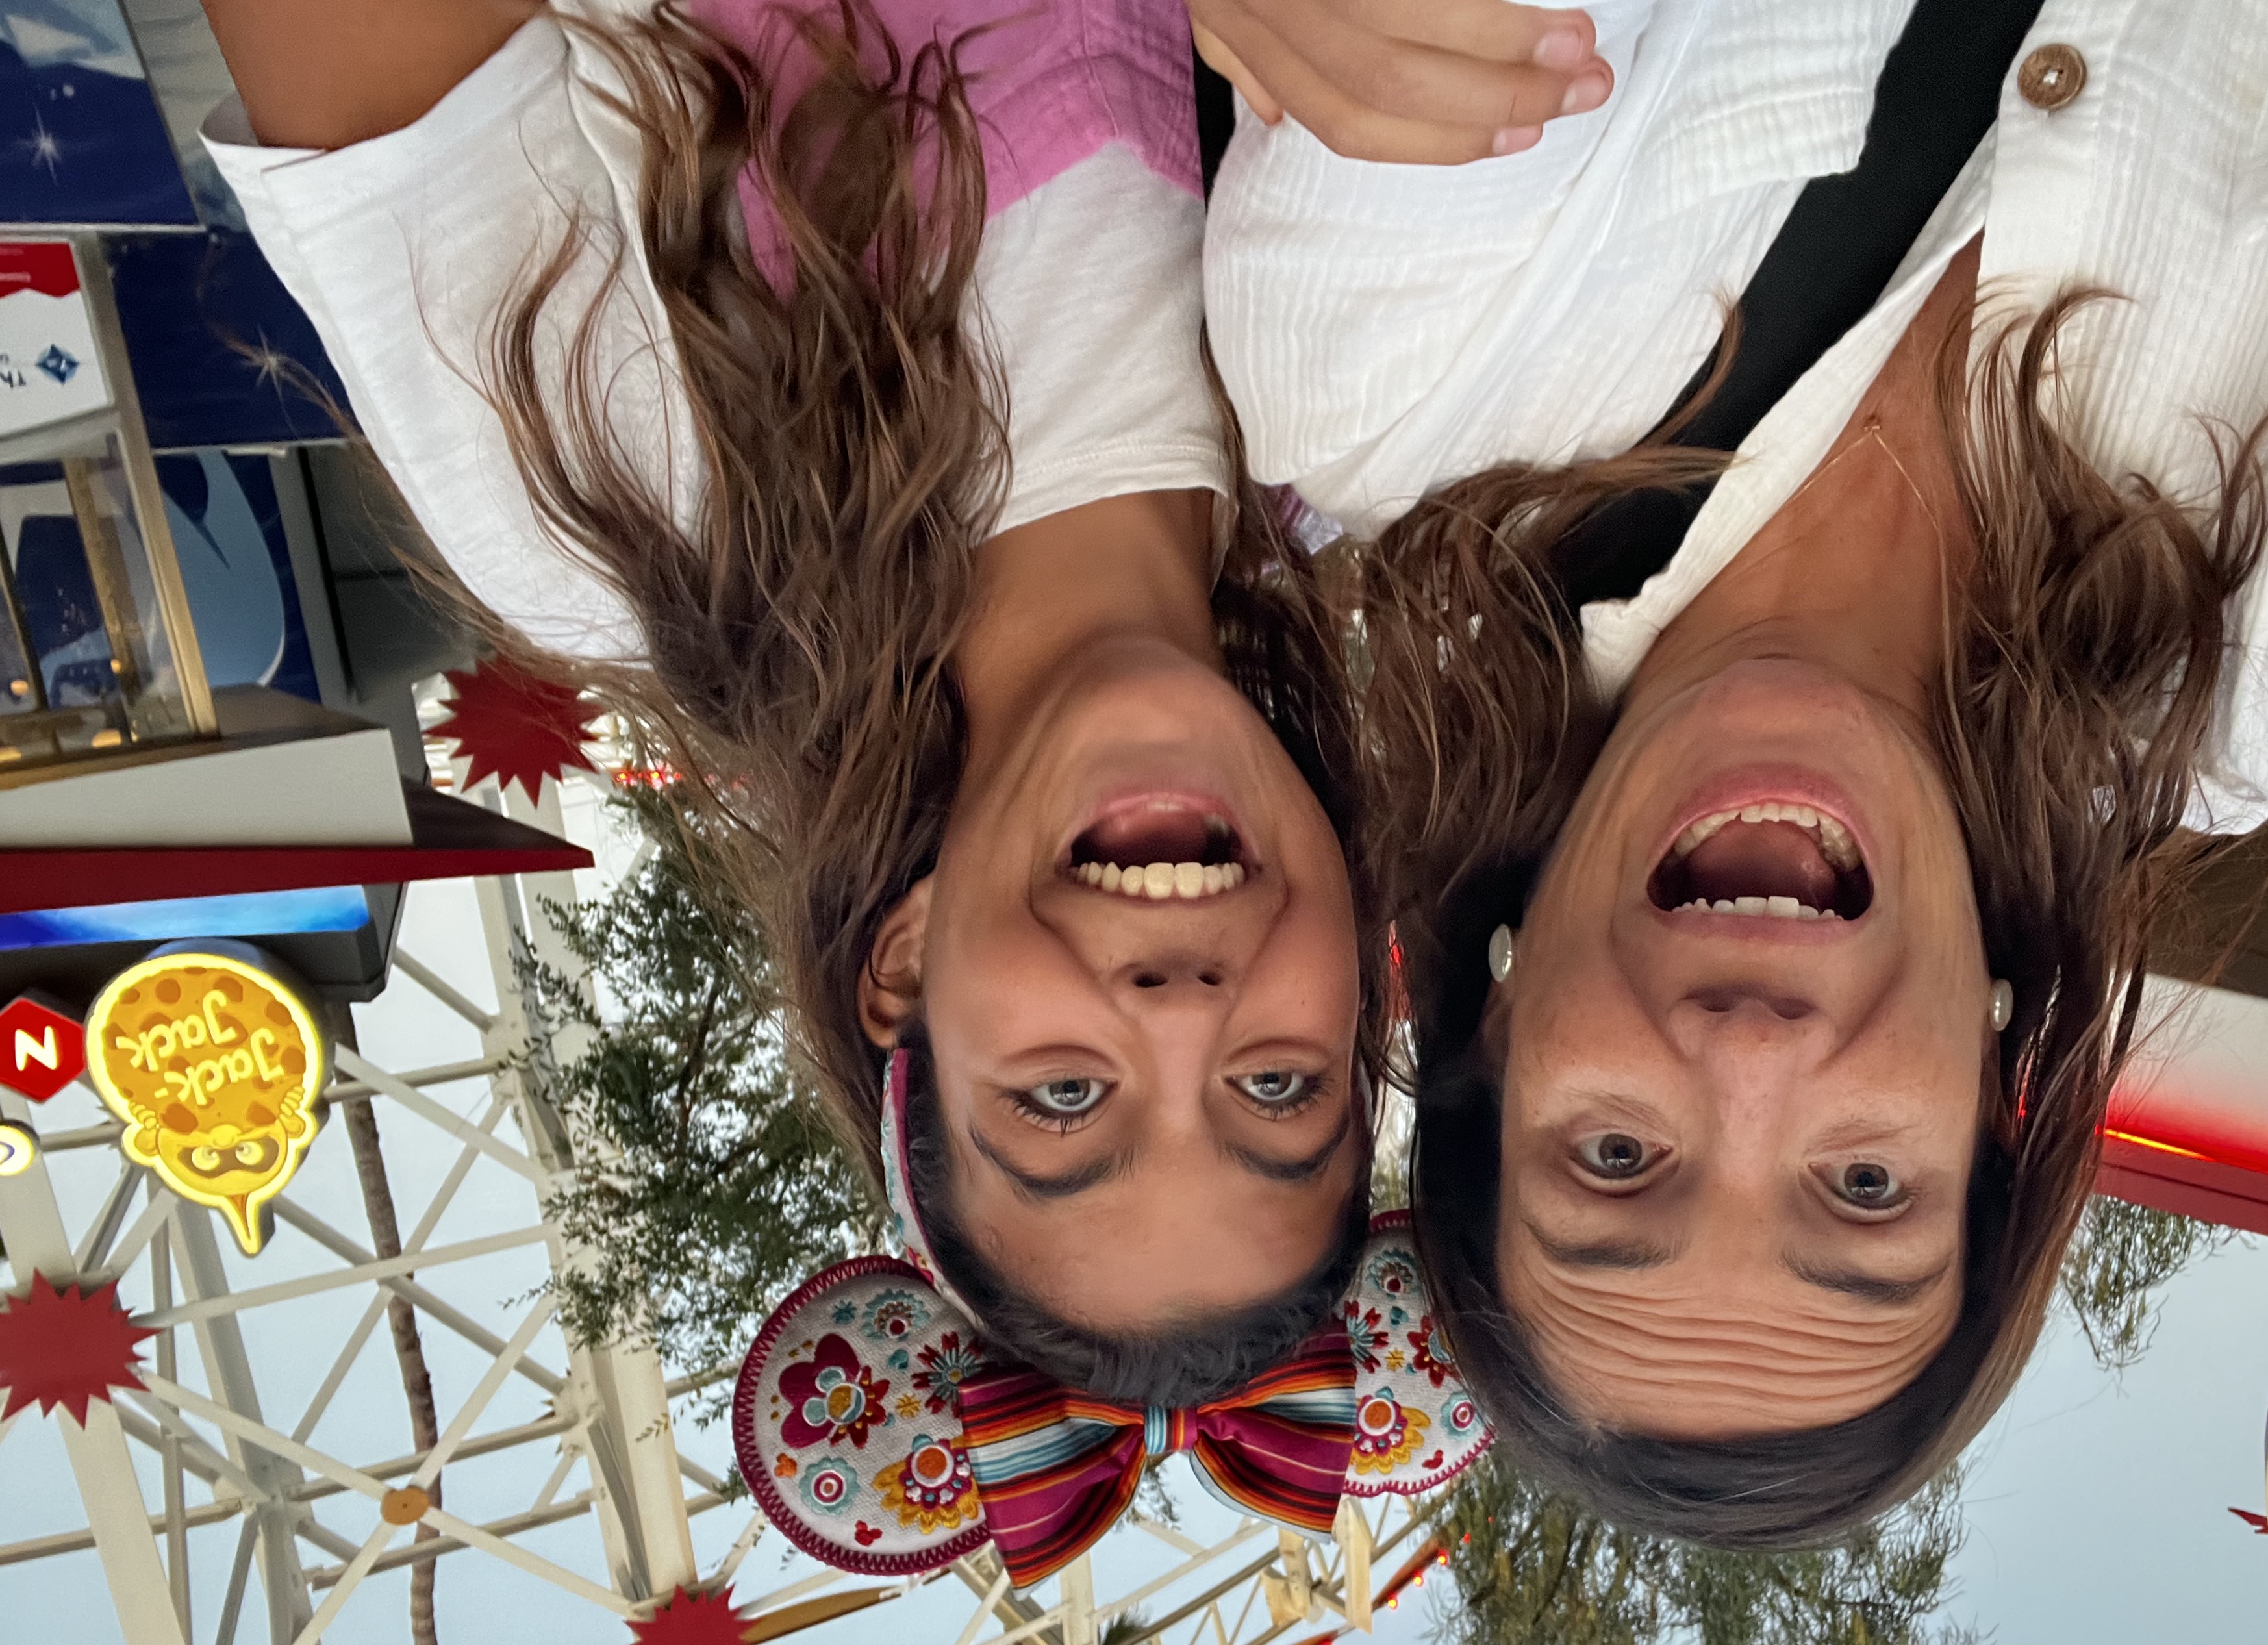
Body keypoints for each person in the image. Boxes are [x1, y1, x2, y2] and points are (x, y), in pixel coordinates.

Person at [1201, 0, 2268, 1542]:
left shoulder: (1393, 383)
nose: (1746, 1057)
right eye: (1863, 1192)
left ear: (1498, 1008)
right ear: (1995, 1099)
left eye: (1616, 1159)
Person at [193, 0, 1398, 1404]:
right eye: (1278, 1090)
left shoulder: (625, 507)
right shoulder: (1370, 397)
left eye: (1062, 1098)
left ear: (905, 963)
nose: (1182, 1014)